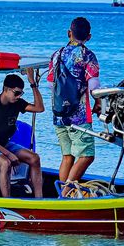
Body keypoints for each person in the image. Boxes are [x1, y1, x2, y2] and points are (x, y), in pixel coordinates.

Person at [48, 16, 101, 187]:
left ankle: (61, 195)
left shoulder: (57, 54)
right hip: (78, 117)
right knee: (87, 155)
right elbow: (93, 87)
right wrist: (99, 103)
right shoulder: (88, 56)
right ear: (89, 37)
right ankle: (66, 194)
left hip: (59, 115)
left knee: (67, 156)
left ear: (69, 33)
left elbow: (50, 83)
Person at [0, 72, 44, 198]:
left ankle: (39, 199)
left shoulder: (17, 103)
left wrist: (32, 83)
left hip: (3, 143)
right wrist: (7, 153)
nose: (18, 97)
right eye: (16, 93)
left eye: (21, 93)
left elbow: (39, 108)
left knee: (34, 158)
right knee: (5, 163)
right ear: (6, 90)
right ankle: (7, 200)